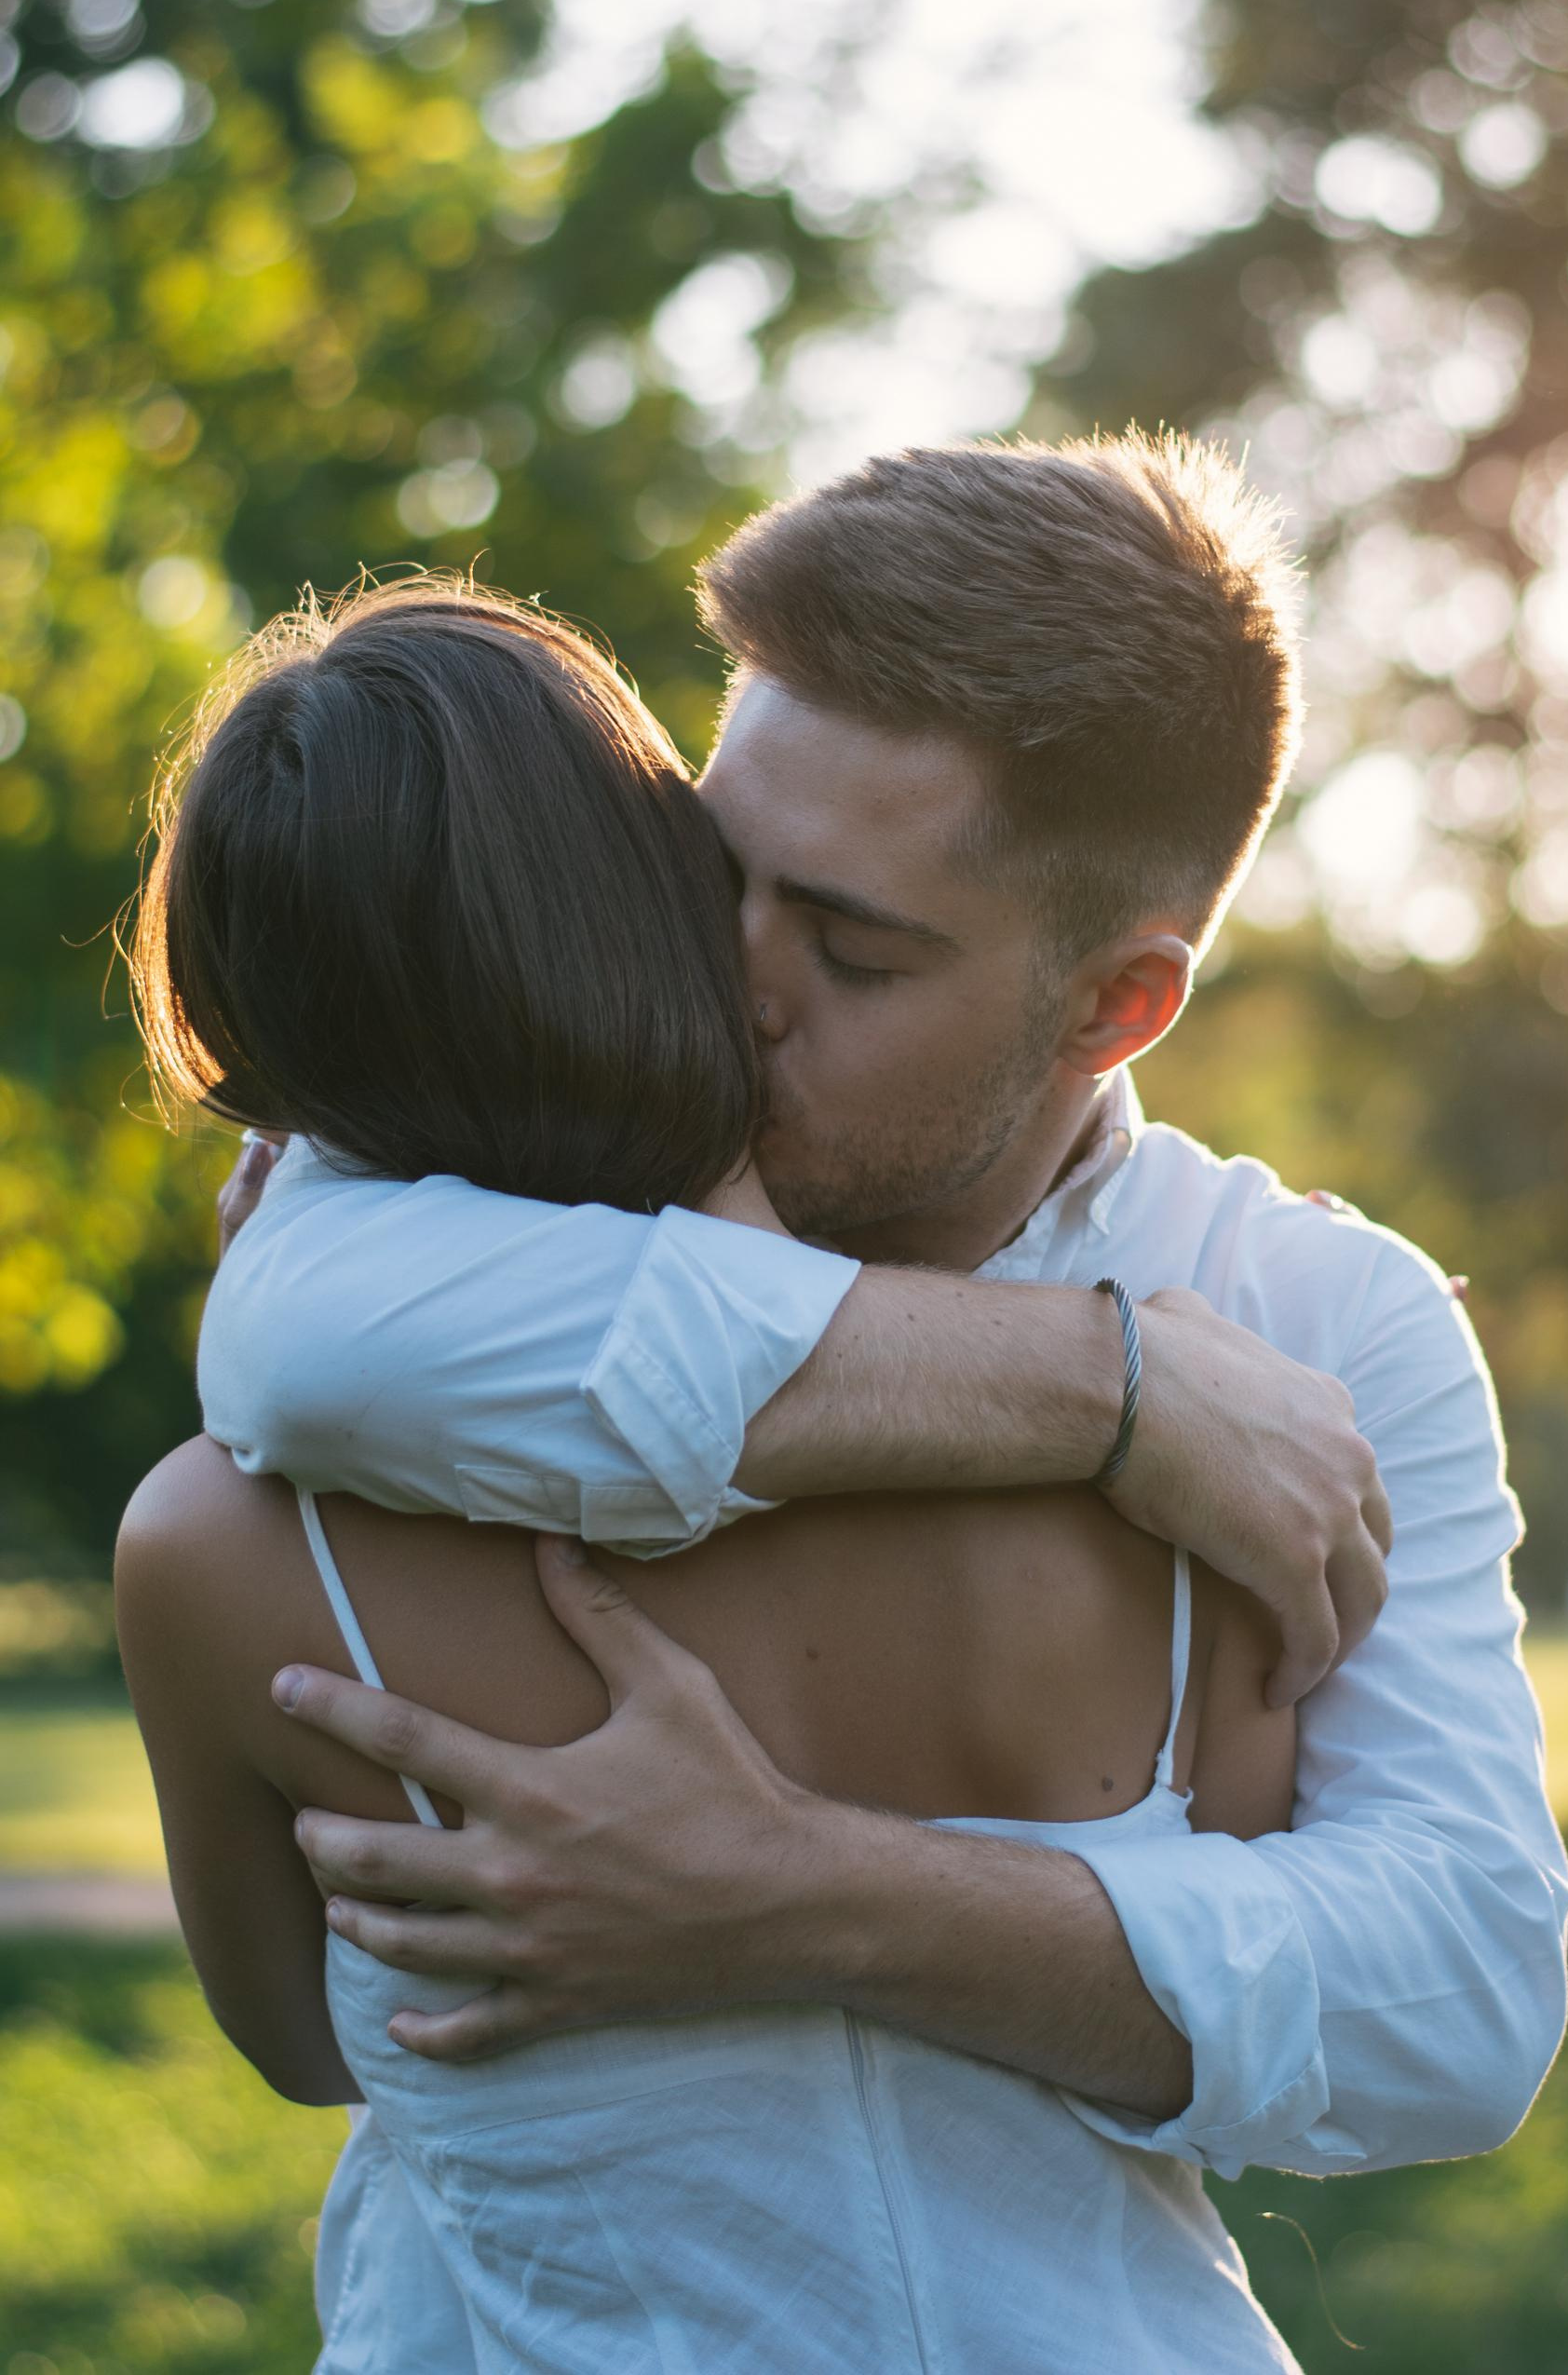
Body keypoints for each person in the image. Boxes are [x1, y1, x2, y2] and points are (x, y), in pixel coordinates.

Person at [190, 437, 1568, 2173]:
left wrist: (803, 1899)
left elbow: (1457, 1999)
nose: (733, 980)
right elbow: (280, 1336)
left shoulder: (1318, 1321)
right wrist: (1107, 1390)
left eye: (853, 953)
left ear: (1119, 1004)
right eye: (710, 875)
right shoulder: (509, 1175)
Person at [119, 568, 1313, 2369]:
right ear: (650, 894)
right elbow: (1224, 1979)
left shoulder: (215, 1547)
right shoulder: (1156, 1454)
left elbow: (307, 2047)